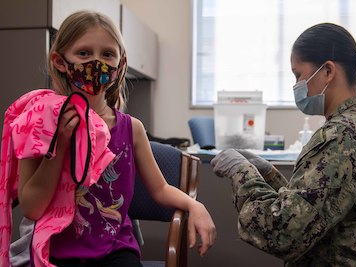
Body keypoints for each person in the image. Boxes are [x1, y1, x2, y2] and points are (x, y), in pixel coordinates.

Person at [8, 10, 216, 267]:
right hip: (55, 248)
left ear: (120, 66)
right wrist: (60, 145)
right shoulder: (39, 122)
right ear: (60, 61)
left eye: (107, 54)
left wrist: (196, 206)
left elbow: (160, 189)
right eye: (83, 53)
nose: (96, 62)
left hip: (115, 250)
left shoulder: (132, 129)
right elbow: (32, 209)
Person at [211, 22, 356, 266]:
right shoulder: (355, 126)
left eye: (298, 74)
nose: (296, 85)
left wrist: (241, 172)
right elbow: (317, 207)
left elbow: (282, 232)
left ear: (327, 71)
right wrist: (267, 174)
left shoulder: (341, 136)